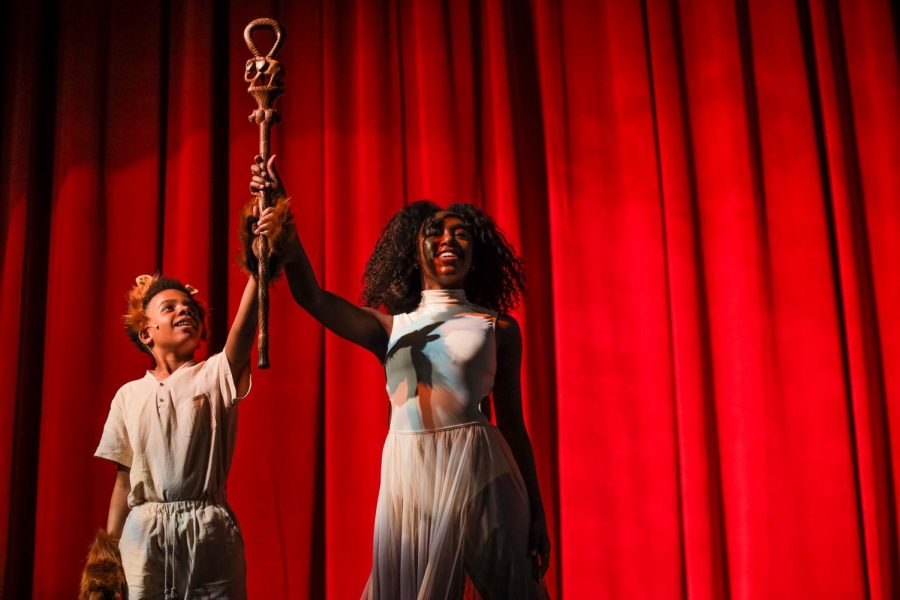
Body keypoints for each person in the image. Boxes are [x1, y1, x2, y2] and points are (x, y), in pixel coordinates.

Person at [252, 155, 551, 599]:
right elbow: (312, 298)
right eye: (435, 233)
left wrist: (538, 514)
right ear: (414, 252)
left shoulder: (498, 328)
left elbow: (512, 424)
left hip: (481, 473)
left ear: (476, 253)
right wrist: (282, 223)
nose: (449, 240)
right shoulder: (391, 328)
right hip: (410, 478)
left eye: (461, 234)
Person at [88, 212, 281, 599]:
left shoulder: (213, 376)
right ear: (146, 332)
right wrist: (106, 562)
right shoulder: (128, 395)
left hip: (209, 536)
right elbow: (123, 481)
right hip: (143, 538)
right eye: (170, 307)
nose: (185, 310)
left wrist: (257, 270)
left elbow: (242, 335)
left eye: (190, 307)